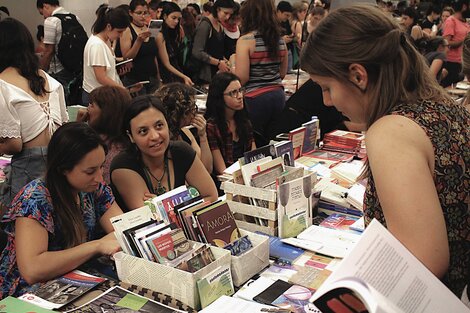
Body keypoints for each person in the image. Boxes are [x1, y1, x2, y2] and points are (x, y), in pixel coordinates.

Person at [301, 4, 469, 299]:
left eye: (326, 87)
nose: (327, 101)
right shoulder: (438, 105)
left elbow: (423, 261)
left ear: (357, 76)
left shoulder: (391, 131)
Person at [0, 122, 123, 298]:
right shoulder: (35, 199)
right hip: (25, 291)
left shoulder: (94, 188)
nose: (99, 177)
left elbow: (122, 228)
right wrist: (96, 246)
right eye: (90, 171)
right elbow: (32, 269)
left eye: (101, 166)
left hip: (73, 275)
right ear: (63, 169)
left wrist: (98, 246)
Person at [0, 18, 68, 211]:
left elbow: (14, 144)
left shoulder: (3, 83)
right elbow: (62, 128)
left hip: (28, 173)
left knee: (26, 229)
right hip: (59, 165)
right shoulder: (49, 79)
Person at [110, 95, 218, 211]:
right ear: (131, 136)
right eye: (143, 131)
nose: (155, 136)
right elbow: (151, 218)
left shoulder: (182, 151)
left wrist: (162, 205)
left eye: (159, 126)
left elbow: (211, 197)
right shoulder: (123, 166)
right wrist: (189, 198)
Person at [235, 0, 288, 146]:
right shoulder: (280, 40)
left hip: (255, 98)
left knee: (255, 145)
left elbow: (243, 77)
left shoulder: (245, 41)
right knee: (274, 143)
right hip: (278, 95)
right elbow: (282, 73)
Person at [78, 86, 132, 184]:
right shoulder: (127, 141)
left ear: (107, 112)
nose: (87, 109)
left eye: (92, 105)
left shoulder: (105, 149)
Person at [36, 0, 86, 105]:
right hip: (75, 70)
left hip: (58, 71)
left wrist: (40, 72)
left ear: (45, 6)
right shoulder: (75, 18)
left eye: (42, 13)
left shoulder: (51, 21)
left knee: (60, 104)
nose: (44, 17)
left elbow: (50, 51)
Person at [204, 72, 255, 175]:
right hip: (228, 179)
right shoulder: (212, 126)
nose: (240, 96)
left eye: (240, 90)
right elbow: (221, 170)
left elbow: (253, 155)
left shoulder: (244, 120)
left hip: (247, 174)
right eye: (233, 93)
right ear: (219, 97)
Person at [155, 83, 212, 172]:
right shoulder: (163, 140)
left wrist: (203, 136)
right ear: (181, 113)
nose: (194, 113)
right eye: (193, 108)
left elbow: (207, 169)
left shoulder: (185, 132)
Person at [82, 5, 130, 105]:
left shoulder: (105, 40)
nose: (120, 35)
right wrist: (122, 89)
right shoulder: (97, 45)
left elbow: (105, 71)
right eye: (119, 32)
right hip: (97, 97)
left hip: (103, 94)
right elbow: (101, 77)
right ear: (108, 26)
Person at [189, 0, 235, 84]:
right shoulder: (205, 25)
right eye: (225, 13)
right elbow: (197, 52)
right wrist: (218, 63)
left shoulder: (220, 25)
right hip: (204, 75)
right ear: (217, 9)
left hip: (216, 74)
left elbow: (217, 50)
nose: (227, 17)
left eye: (230, 14)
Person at [120, 0, 160, 94]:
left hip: (152, 77)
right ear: (131, 13)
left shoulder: (151, 28)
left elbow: (153, 56)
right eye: (139, 13)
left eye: (145, 13)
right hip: (135, 79)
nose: (143, 16)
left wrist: (158, 78)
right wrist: (138, 41)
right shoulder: (127, 30)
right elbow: (127, 57)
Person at [155, 2, 193, 85]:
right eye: (173, 18)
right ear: (165, 16)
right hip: (166, 76)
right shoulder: (160, 35)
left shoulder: (174, 32)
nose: (176, 21)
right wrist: (184, 76)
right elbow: (166, 63)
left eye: (178, 19)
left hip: (175, 73)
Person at [442, 0, 470, 87]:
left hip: (463, 61)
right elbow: (446, 42)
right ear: (464, 7)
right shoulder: (451, 21)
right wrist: (464, 40)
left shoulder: (465, 21)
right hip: (452, 62)